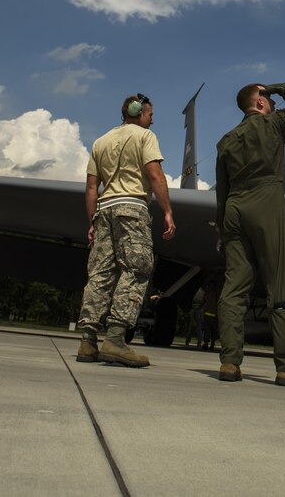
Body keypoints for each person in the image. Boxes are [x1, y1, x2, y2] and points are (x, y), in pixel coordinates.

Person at [215, 83, 285, 388]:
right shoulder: (273, 123)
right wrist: (279, 87)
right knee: (281, 282)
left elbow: (221, 192)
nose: (275, 104)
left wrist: (223, 229)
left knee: (234, 287)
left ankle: (229, 362)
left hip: (234, 209)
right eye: (271, 100)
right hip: (266, 202)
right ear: (260, 102)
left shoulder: (225, 141)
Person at [76, 93, 175, 367]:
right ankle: (116, 338)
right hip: (132, 207)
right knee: (136, 269)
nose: (152, 120)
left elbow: (91, 188)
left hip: (104, 210)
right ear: (138, 112)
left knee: (100, 273)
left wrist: (92, 222)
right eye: (150, 115)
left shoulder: (100, 141)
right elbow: (155, 175)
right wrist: (167, 211)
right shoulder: (145, 137)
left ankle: (87, 340)